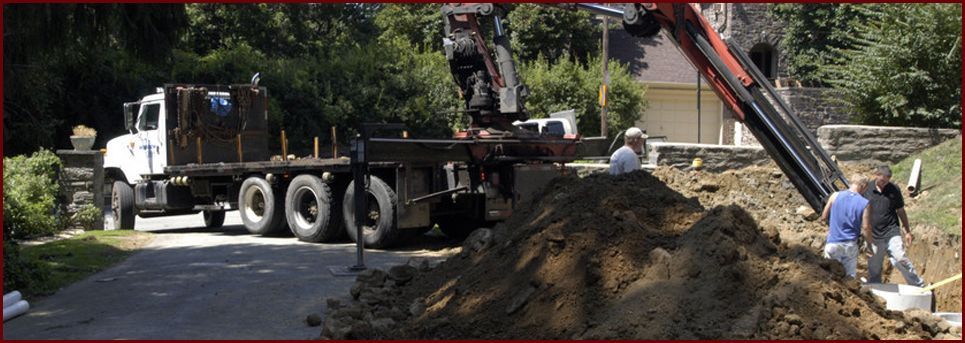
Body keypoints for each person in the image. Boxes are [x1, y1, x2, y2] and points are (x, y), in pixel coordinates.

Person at [864, 165, 925, 287]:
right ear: (876, 175)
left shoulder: (893, 189)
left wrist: (907, 231)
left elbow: (901, 211)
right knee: (874, 265)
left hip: (891, 230)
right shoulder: (867, 189)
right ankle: (875, 289)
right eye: (882, 181)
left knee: (900, 257)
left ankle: (918, 285)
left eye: (886, 181)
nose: (883, 184)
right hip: (874, 234)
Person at [819, 174, 874, 278]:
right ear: (863, 186)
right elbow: (866, 227)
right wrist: (870, 246)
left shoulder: (835, 195)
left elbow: (823, 216)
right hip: (850, 245)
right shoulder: (865, 203)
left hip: (833, 243)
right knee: (849, 279)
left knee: (831, 277)